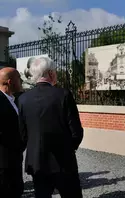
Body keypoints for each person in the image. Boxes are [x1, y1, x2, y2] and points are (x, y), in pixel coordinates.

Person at [18, 57, 83, 198]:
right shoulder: (63, 95)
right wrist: (69, 148)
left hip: (37, 162)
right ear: (51, 73)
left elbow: (22, 134)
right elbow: (76, 132)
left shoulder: (23, 99)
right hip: (63, 161)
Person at [0, 67, 24, 198]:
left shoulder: (13, 100)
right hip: (4, 165)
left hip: (14, 161)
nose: (21, 81)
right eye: (19, 78)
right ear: (10, 82)